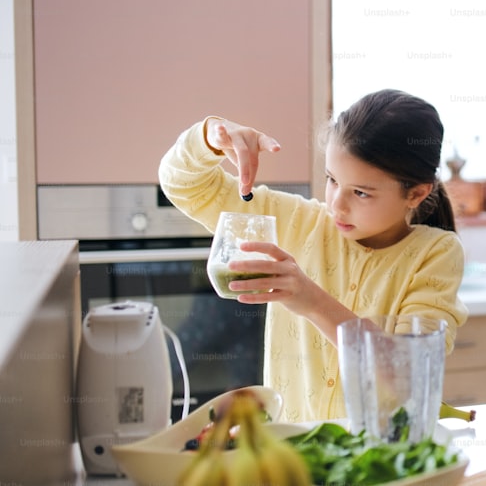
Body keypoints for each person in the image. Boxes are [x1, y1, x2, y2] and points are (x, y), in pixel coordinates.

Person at [159, 89, 469, 422]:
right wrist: (209, 137)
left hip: (380, 465)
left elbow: (409, 374)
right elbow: (184, 186)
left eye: (361, 192)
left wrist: (311, 300)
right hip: (294, 458)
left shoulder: (436, 253)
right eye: (332, 180)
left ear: (416, 193)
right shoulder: (298, 220)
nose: (337, 203)